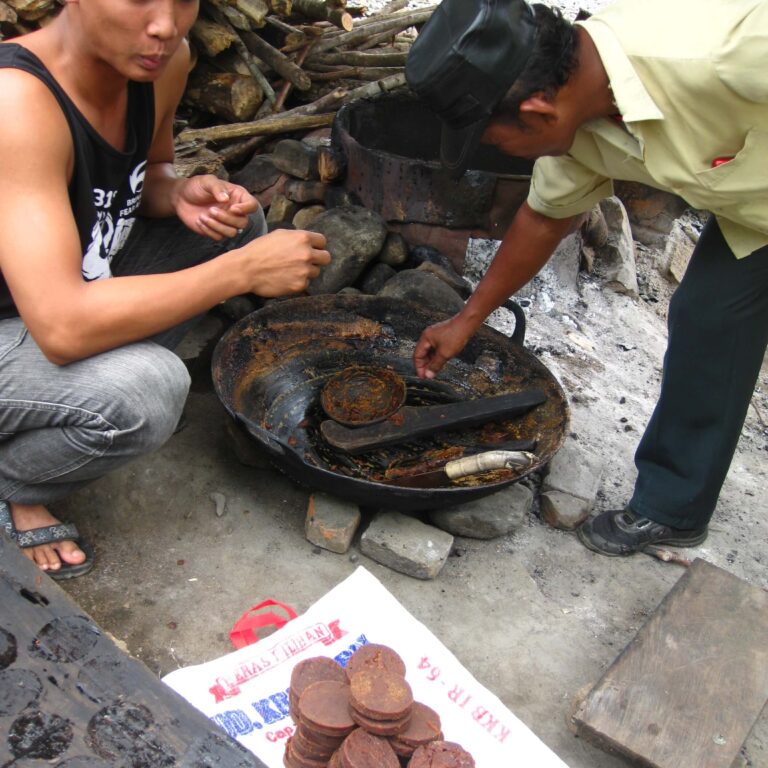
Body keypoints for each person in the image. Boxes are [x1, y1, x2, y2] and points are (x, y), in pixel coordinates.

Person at [405, 0, 768, 556]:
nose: (502, 153)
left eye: (498, 142)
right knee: (708, 320)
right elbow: (545, 217)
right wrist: (466, 320)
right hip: (756, 212)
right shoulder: (581, 119)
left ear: (536, 113)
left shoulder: (733, 51)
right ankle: (674, 508)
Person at [0, 0, 331, 579]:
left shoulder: (160, 62)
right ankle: (15, 483)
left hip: (57, 288)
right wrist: (242, 274)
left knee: (236, 227)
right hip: (37, 316)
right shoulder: (16, 105)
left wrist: (176, 193)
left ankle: (77, 394)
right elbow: (61, 328)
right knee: (148, 389)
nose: (165, 23)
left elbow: (148, 176)